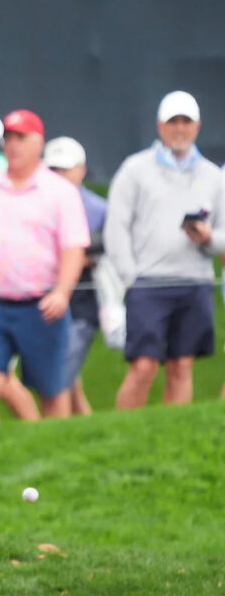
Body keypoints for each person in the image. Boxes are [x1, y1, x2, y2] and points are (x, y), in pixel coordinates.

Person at [0, 110, 89, 425]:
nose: (13, 145)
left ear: (39, 143)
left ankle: (55, 449)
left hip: (42, 305)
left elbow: (73, 248)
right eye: (8, 138)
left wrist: (62, 293)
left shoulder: (60, 191)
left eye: (21, 138)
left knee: (52, 391)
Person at [104, 91, 225, 409]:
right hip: (148, 283)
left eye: (186, 122)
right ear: (160, 126)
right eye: (173, 122)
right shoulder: (135, 169)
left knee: (182, 365)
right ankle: (123, 432)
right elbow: (116, 227)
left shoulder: (213, 177)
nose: (179, 129)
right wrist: (130, 276)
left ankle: (173, 433)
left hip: (195, 282)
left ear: (197, 127)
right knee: (143, 366)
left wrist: (208, 239)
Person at [43, 137, 108, 415]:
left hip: (82, 300)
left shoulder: (98, 209)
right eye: (53, 169)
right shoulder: (35, 203)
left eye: (65, 169)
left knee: (60, 373)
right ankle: (82, 425)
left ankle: (52, 428)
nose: (58, 175)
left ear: (81, 170)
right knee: (64, 373)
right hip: (43, 295)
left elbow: (107, 249)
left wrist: (80, 256)